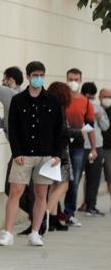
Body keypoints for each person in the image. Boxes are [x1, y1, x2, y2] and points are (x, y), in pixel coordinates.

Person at [0, 61, 63, 247]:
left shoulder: (53, 100)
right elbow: (14, 128)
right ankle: (7, 232)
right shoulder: (18, 100)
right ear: (28, 76)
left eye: (41, 74)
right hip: (23, 154)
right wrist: (16, 151)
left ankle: (35, 232)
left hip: (46, 155)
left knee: (41, 193)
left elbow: (60, 129)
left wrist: (58, 154)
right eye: (35, 75)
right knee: (15, 191)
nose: (38, 78)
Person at [0, 67, 35, 235]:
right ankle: (38, 218)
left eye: (5, 79)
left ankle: (38, 218)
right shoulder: (14, 98)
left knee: (14, 188)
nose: (3, 82)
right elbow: (1, 124)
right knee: (21, 188)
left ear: (11, 80)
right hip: (20, 149)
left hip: (24, 150)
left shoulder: (12, 95)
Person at [46, 82, 83, 231]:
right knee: (64, 184)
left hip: (53, 150)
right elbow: (62, 130)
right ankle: (45, 213)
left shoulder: (48, 107)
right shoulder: (58, 108)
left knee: (54, 185)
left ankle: (53, 219)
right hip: (60, 151)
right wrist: (79, 132)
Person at [63, 68, 97, 227]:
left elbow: (90, 126)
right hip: (60, 144)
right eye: (70, 79)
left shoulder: (86, 102)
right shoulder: (61, 98)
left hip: (78, 146)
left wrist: (94, 148)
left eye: (76, 79)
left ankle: (69, 213)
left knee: (74, 180)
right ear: (66, 79)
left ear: (80, 80)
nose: (73, 82)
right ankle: (52, 213)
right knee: (56, 181)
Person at [81, 82, 109, 217]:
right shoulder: (77, 106)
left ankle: (91, 205)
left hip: (96, 146)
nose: (88, 98)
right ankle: (76, 207)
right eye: (86, 95)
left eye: (91, 96)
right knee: (75, 178)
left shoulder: (98, 108)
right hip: (80, 147)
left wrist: (99, 118)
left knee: (94, 178)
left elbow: (105, 126)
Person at [99, 88, 111, 211]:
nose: (107, 99)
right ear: (100, 97)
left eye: (109, 97)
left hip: (109, 149)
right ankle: (88, 203)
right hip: (96, 147)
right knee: (91, 177)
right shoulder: (96, 109)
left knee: (110, 176)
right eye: (105, 96)